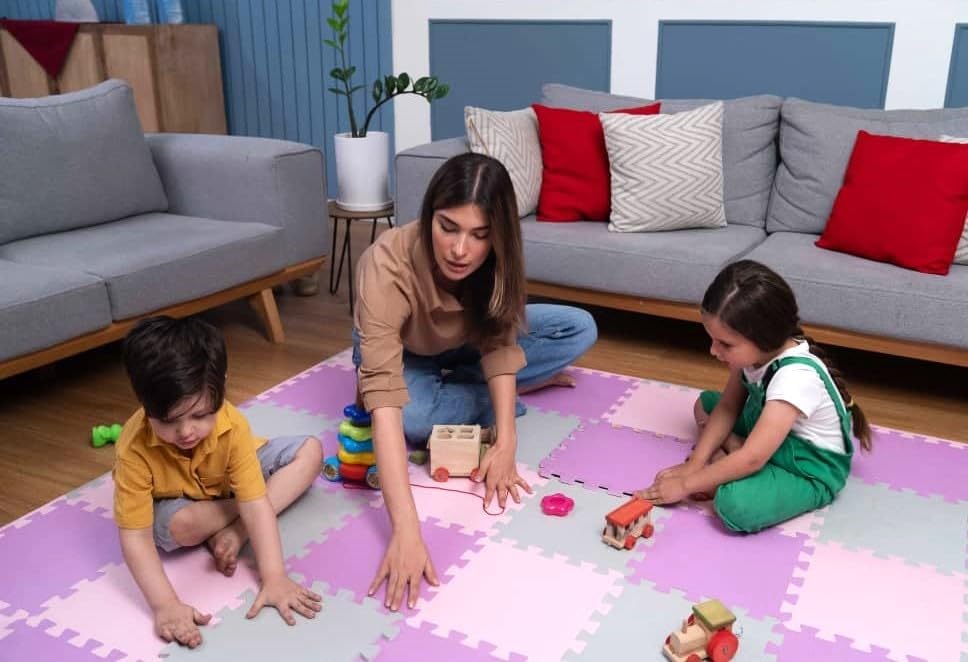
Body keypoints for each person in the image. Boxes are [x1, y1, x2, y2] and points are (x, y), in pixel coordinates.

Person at [353, 153, 597, 610]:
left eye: (480, 235)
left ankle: (479, 388)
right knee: (412, 413)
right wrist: (407, 530)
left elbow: (501, 343)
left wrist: (507, 442)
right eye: (448, 228)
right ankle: (505, 388)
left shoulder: (496, 262)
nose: (461, 250)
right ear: (429, 216)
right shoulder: (384, 264)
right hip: (405, 350)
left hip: (467, 340)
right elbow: (385, 403)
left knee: (578, 327)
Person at [113, 316, 323, 648]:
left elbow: (255, 505)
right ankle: (232, 519)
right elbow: (136, 537)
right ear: (143, 402)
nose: (185, 432)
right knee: (178, 527)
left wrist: (274, 577)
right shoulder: (133, 447)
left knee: (311, 451)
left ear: (221, 388)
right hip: (183, 502)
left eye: (199, 416)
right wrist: (165, 605)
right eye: (168, 421)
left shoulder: (232, 425)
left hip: (231, 481)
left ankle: (235, 530)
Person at [638, 260, 872, 533]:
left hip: (807, 468)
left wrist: (686, 484)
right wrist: (695, 464)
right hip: (769, 435)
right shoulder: (753, 355)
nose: (713, 351)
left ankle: (737, 460)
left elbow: (753, 458)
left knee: (733, 504)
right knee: (706, 404)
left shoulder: (795, 377)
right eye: (712, 339)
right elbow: (727, 407)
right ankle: (737, 456)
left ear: (764, 338)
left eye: (725, 344)